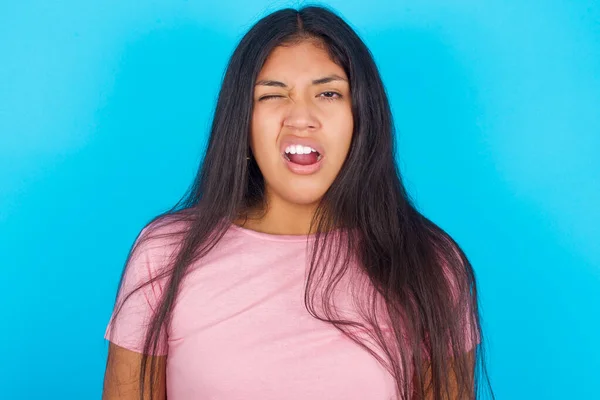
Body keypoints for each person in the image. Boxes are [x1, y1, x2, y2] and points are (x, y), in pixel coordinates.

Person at [102, 5, 493, 400]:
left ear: (362, 116)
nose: (301, 117)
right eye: (272, 95)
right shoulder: (165, 256)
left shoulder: (431, 264)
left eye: (328, 93)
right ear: (243, 120)